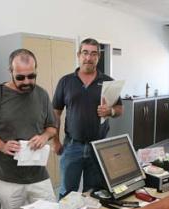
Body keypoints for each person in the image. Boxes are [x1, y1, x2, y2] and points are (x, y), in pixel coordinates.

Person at [0, 48, 56, 209]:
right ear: (10, 71)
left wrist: (44, 136)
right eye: (20, 77)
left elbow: (52, 126)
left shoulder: (42, 94)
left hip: (38, 174)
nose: (26, 81)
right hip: (7, 177)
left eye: (31, 76)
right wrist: (2, 146)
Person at [52, 38, 123, 199]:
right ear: (78, 55)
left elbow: (120, 109)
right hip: (72, 146)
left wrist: (110, 111)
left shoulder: (108, 82)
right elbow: (56, 112)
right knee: (67, 193)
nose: (89, 58)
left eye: (93, 54)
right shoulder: (66, 81)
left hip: (98, 147)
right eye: (85, 53)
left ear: (98, 57)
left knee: (94, 192)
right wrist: (55, 141)